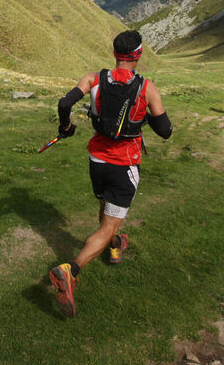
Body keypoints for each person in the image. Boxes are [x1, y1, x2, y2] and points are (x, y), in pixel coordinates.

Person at [48, 30, 172, 318]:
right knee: (108, 224)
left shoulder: (93, 78)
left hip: (97, 160)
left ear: (116, 52)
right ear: (138, 55)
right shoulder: (147, 88)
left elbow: (65, 103)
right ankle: (71, 270)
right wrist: (144, 118)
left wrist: (65, 127)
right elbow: (165, 131)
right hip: (124, 164)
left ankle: (115, 245)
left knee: (106, 209)